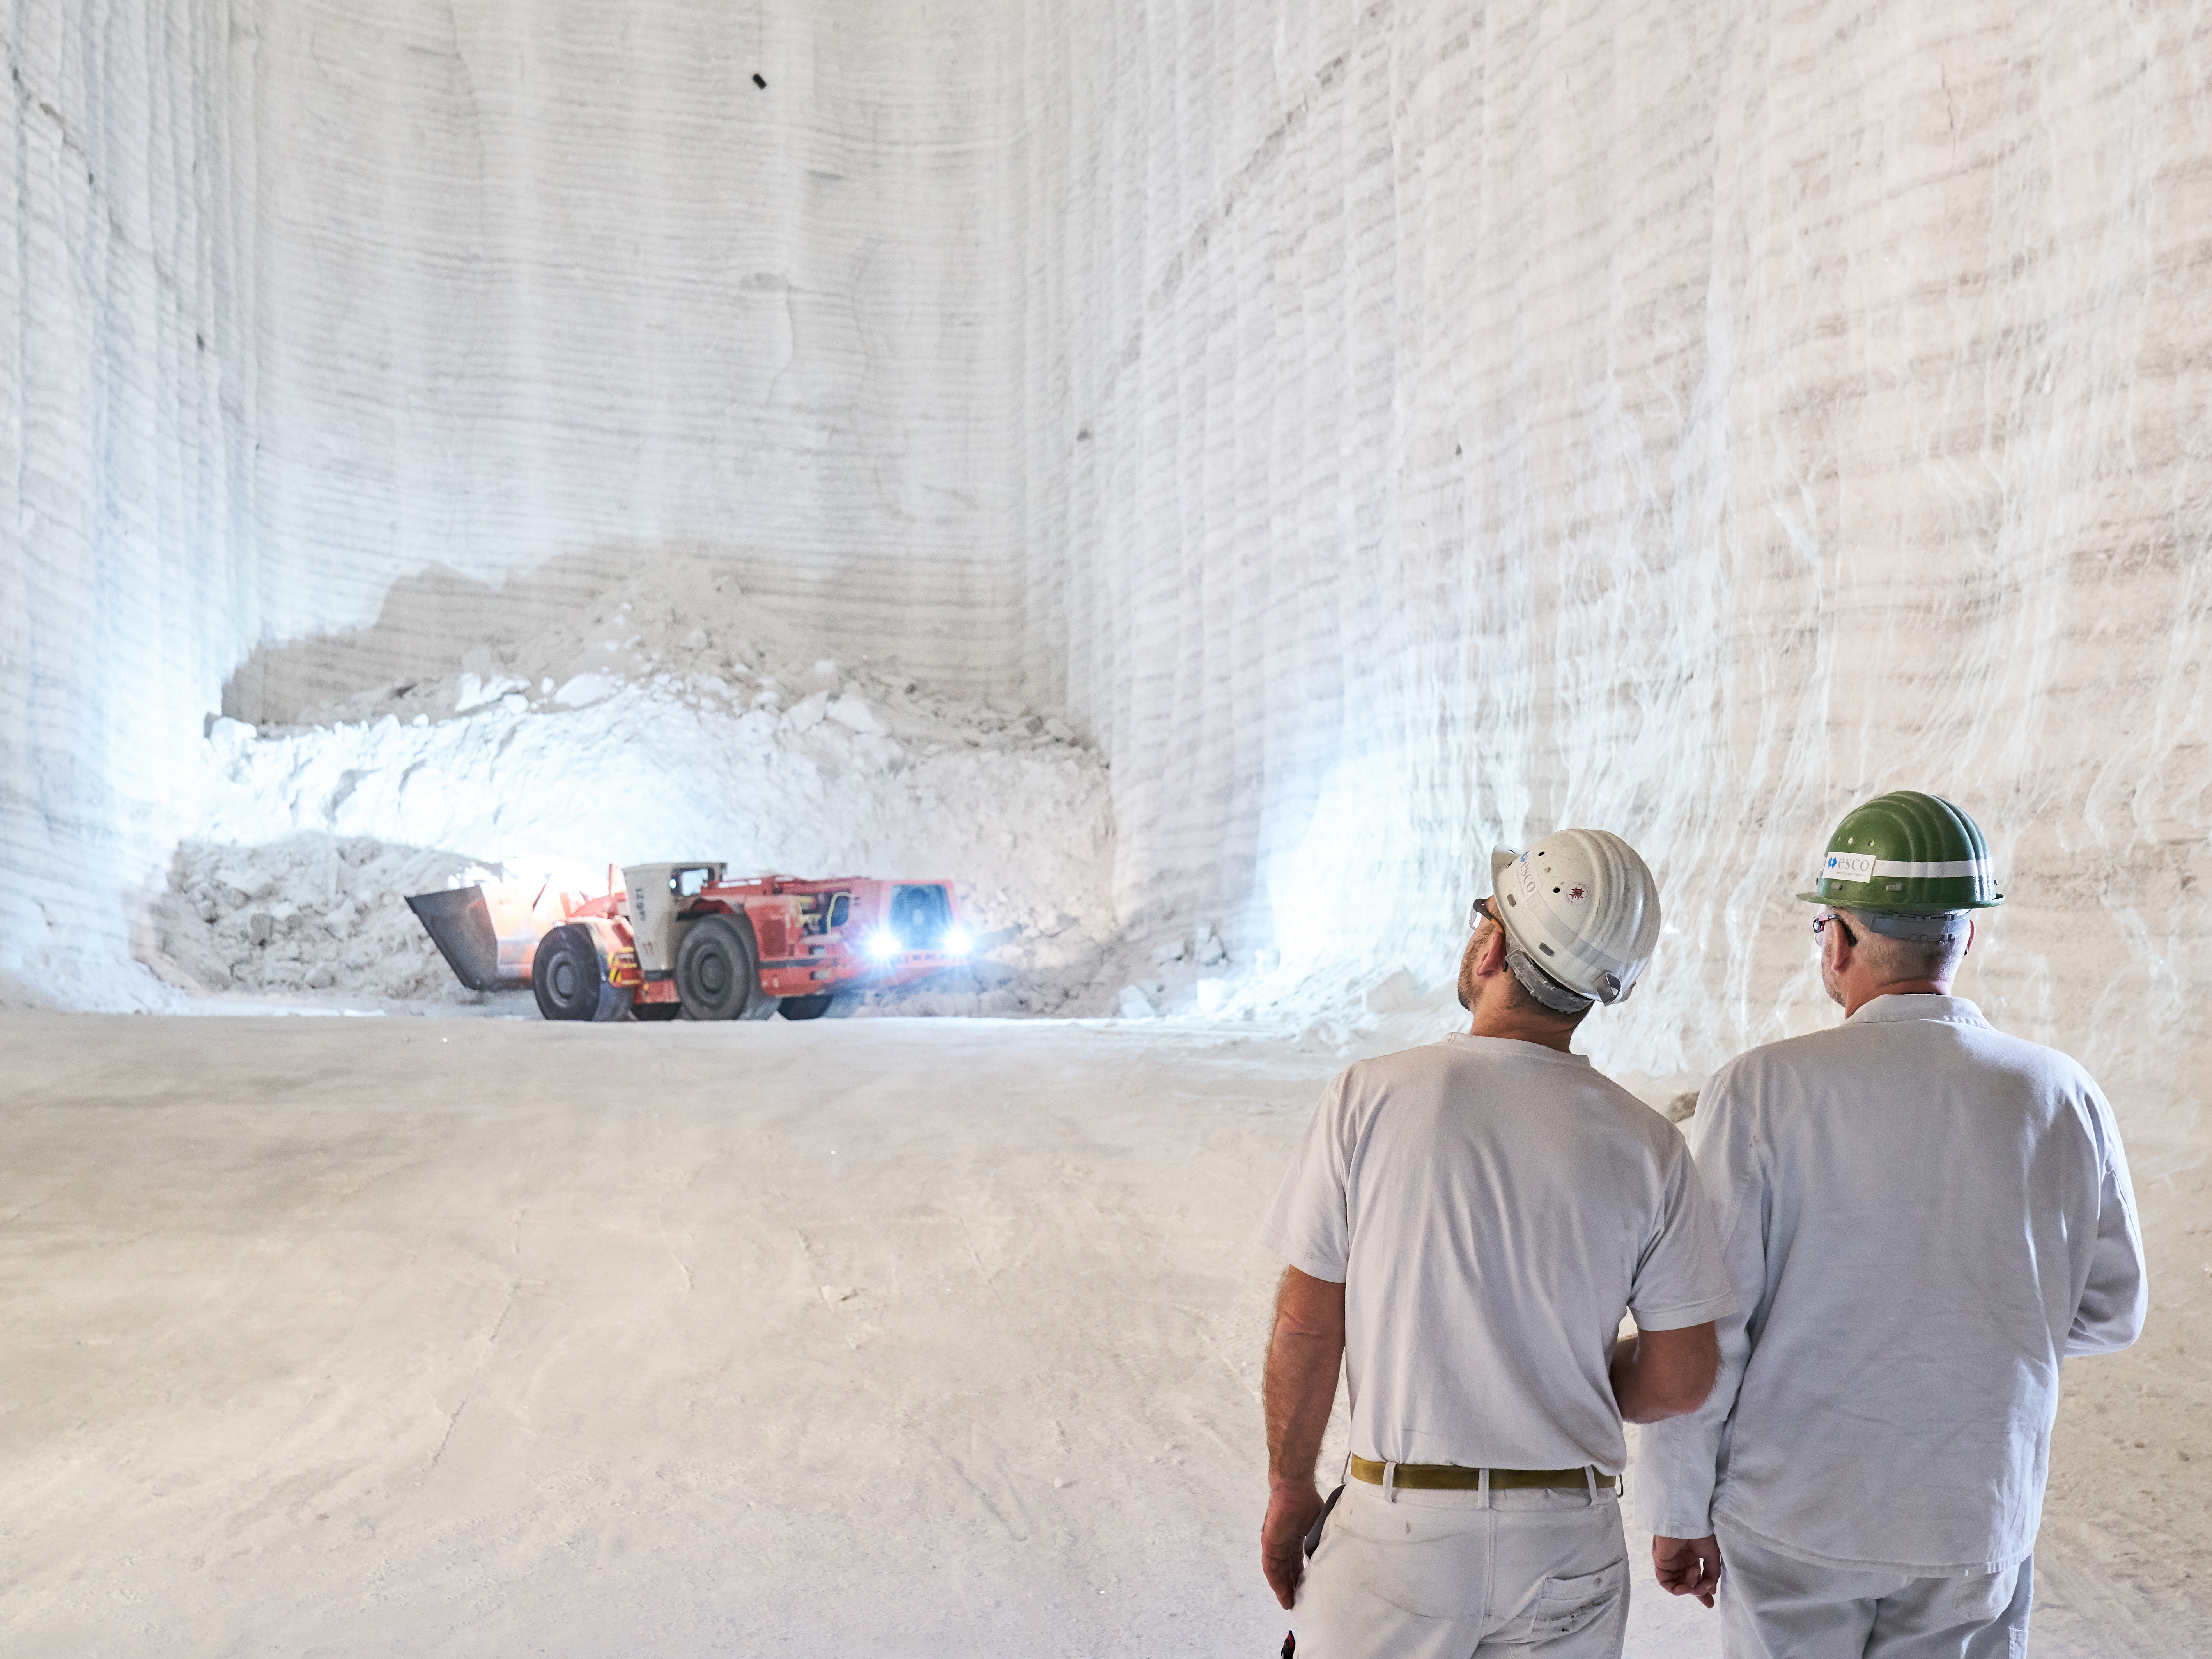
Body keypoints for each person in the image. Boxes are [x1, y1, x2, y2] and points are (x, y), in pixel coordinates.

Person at [1636, 790, 2148, 1658]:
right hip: (1973, 1514)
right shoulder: (2061, 1093)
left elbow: (1709, 1323)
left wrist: (1679, 1509)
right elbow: (2108, 1313)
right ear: (1967, 936)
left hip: (1793, 1510)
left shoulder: (1761, 1089)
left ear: (1834, 940)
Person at [1259, 829, 1738, 1658]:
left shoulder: (1368, 1097)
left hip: (1400, 1540)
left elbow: (1308, 1327)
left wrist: (1288, 1487)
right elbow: (1683, 1374)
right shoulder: (1646, 1144)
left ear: (1490, 945)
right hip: (1569, 1543)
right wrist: (1559, 1375)